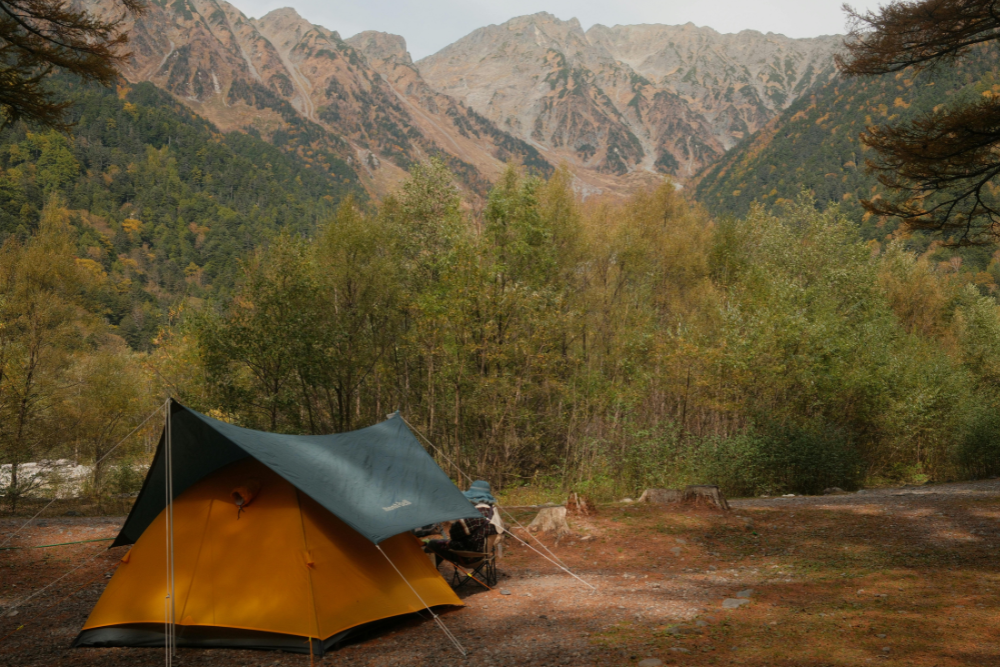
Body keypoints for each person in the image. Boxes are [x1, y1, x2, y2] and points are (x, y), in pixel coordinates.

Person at [425, 480, 504, 563]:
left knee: (433, 544)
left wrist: (458, 518)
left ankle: (428, 573)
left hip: (467, 557)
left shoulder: (475, 514)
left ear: (475, 497)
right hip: (483, 556)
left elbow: (454, 534)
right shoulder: (493, 511)